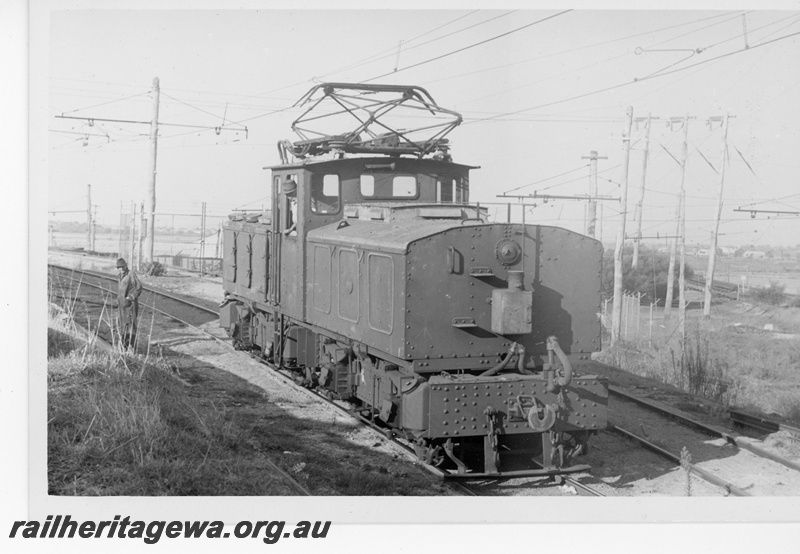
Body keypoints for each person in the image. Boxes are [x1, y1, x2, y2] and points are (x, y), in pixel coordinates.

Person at [116, 257, 142, 349]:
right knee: (123, 325)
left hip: (130, 306)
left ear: (126, 266)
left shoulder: (131, 275)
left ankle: (132, 347)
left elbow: (138, 288)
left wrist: (130, 297)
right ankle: (125, 346)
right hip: (122, 306)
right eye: (119, 267)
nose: (121, 269)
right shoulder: (120, 276)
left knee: (131, 326)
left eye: (123, 267)